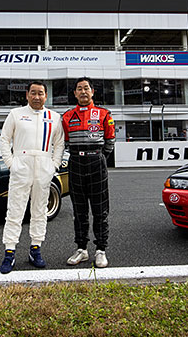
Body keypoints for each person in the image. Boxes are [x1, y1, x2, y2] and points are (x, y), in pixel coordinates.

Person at [0, 81, 65, 274]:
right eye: (33, 93)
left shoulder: (54, 117)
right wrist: (11, 163)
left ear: (46, 96)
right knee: (15, 210)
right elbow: (4, 139)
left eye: (41, 93)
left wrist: (53, 165)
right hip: (21, 165)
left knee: (40, 210)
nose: (37, 97)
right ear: (27, 94)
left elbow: (59, 144)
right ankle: (9, 252)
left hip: (44, 166)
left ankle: (35, 248)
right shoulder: (16, 114)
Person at [61, 77, 115, 268]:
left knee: (100, 211)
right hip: (75, 163)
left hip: (96, 163)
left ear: (93, 91)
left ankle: (101, 249)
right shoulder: (66, 116)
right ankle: (81, 249)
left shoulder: (104, 114)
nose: (83, 92)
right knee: (79, 211)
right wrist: (78, 156)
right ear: (74, 93)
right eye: (79, 89)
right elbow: (64, 143)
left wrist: (97, 157)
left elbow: (110, 141)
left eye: (86, 88)